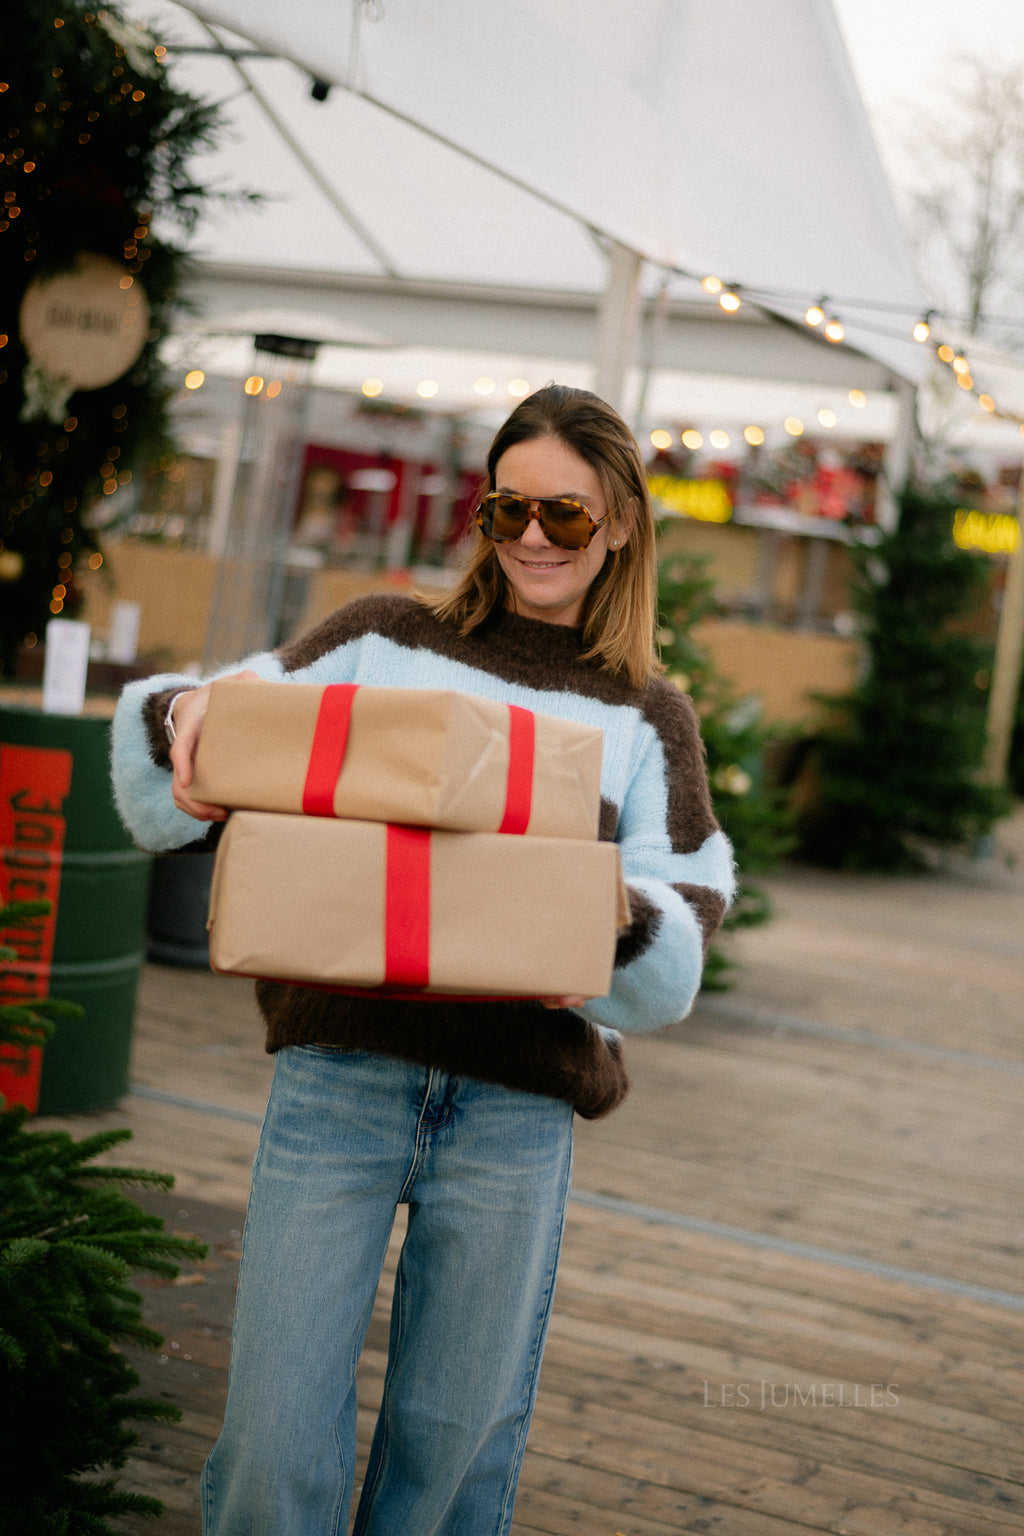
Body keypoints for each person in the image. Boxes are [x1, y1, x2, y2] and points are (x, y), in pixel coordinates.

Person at [111, 383, 735, 1536]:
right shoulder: (383, 639)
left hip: (514, 1110)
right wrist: (183, 718)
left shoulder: (651, 718)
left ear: (620, 525)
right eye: (508, 510)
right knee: (270, 1445)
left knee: (452, 1456)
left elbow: (683, 924)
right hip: (338, 1082)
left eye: (565, 514)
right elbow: (215, 734)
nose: (533, 537)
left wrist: (605, 919)